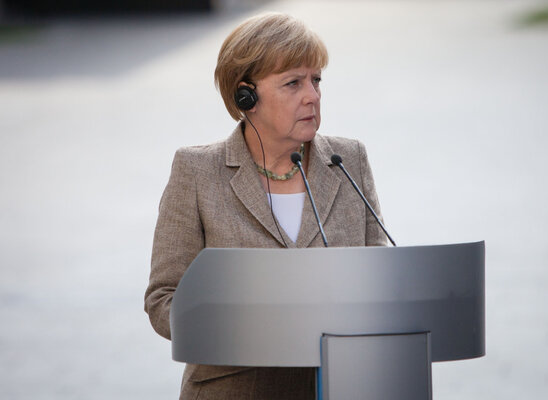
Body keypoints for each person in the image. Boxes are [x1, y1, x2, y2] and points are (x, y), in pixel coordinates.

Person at [144, 12, 388, 400]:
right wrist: (246, 327)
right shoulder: (197, 171)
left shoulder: (348, 160)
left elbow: (385, 278)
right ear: (247, 96)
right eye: (293, 82)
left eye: (316, 80)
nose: (312, 95)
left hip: (341, 386)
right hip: (236, 389)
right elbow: (163, 299)